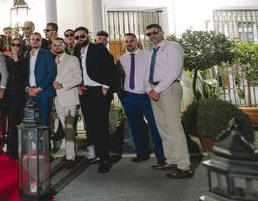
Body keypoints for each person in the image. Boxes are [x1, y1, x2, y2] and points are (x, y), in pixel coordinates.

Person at [146, 23, 192, 179]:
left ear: (162, 32)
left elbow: (174, 70)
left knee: (173, 127)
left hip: (169, 89)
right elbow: (149, 73)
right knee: (163, 127)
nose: (152, 36)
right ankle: (171, 160)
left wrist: (157, 90)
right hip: (155, 90)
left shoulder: (173, 47)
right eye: (149, 34)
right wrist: (150, 90)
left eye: (155, 32)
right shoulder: (153, 51)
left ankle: (184, 167)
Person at [118, 33, 166, 165]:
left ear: (136, 41)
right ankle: (142, 152)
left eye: (132, 40)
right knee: (135, 126)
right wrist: (122, 96)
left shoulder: (147, 55)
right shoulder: (121, 59)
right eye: (126, 41)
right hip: (129, 97)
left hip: (147, 96)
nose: (129, 43)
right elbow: (118, 79)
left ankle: (161, 155)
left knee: (155, 125)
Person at [74, 26, 116, 173]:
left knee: (101, 125)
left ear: (88, 36)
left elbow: (110, 67)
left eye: (82, 36)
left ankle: (105, 159)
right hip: (85, 92)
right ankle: (97, 155)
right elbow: (77, 71)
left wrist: (105, 86)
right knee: (90, 125)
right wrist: (78, 85)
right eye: (77, 37)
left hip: (99, 91)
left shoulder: (98, 48)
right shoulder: (76, 51)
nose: (80, 39)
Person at [51, 37, 82, 167]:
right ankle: (69, 153)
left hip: (69, 98)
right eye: (55, 45)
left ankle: (71, 157)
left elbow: (78, 78)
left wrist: (62, 84)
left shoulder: (72, 59)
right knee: (64, 127)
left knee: (69, 127)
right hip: (57, 99)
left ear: (64, 46)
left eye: (60, 44)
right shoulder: (53, 61)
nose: (57, 47)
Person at [24, 32, 56, 134]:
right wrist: (27, 88)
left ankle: (45, 147)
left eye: (37, 39)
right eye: (32, 39)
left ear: (41, 42)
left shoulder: (47, 54)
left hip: (44, 92)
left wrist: (39, 89)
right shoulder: (26, 56)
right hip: (29, 92)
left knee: (44, 120)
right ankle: (33, 146)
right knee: (30, 121)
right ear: (29, 41)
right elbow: (25, 74)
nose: (35, 41)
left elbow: (51, 73)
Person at [2, 37, 26, 159]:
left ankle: (17, 149)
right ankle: (11, 149)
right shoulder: (6, 59)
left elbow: (21, 75)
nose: (15, 46)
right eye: (13, 44)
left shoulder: (23, 60)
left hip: (19, 94)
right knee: (10, 122)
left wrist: (16, 59)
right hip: (8, 93)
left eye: (18, 45)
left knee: (17, 121)